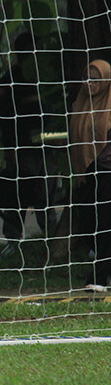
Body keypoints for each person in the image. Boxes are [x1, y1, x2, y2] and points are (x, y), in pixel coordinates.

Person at [0, 33, 53, 262]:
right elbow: (5, 118)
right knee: (19, 194)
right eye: (31, 50)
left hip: (51, 146)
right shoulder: (11, 79)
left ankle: (53, 239)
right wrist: (10, 150)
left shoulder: (49, 76)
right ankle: (13, 242)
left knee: (46, 195)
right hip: (22, 147)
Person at [68, 59, 111, 290]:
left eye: (95, 79)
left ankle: (99, 277)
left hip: (107, 171)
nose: (89, 83)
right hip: (86, 172)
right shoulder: (80, 102)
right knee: (88, 222)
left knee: (105, 224)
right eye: (87, 78)